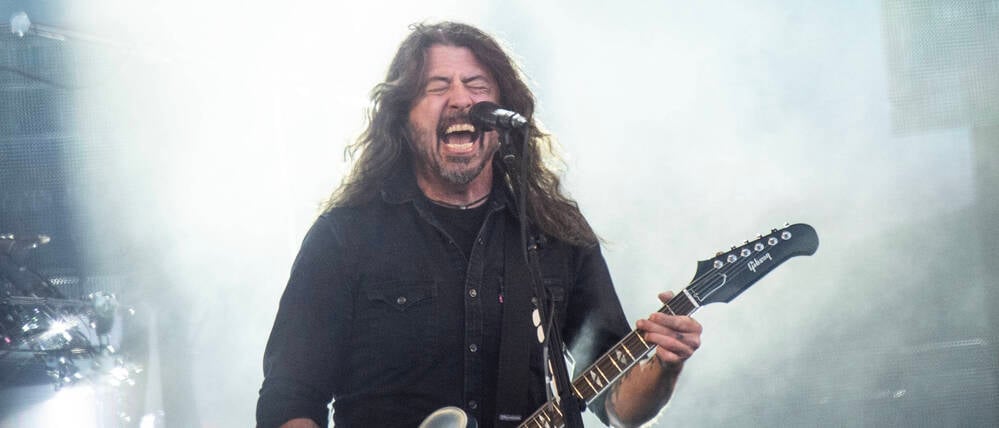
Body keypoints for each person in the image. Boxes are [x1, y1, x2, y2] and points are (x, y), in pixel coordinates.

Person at [256, 21, 703, 428]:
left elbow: (618, 406)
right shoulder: (345, 236)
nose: (462, 100)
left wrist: (665, 366)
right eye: (436, 87)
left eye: (476, 85)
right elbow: (289, 398)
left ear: (503, 114)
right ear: (404, 117)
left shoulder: (553, 231)